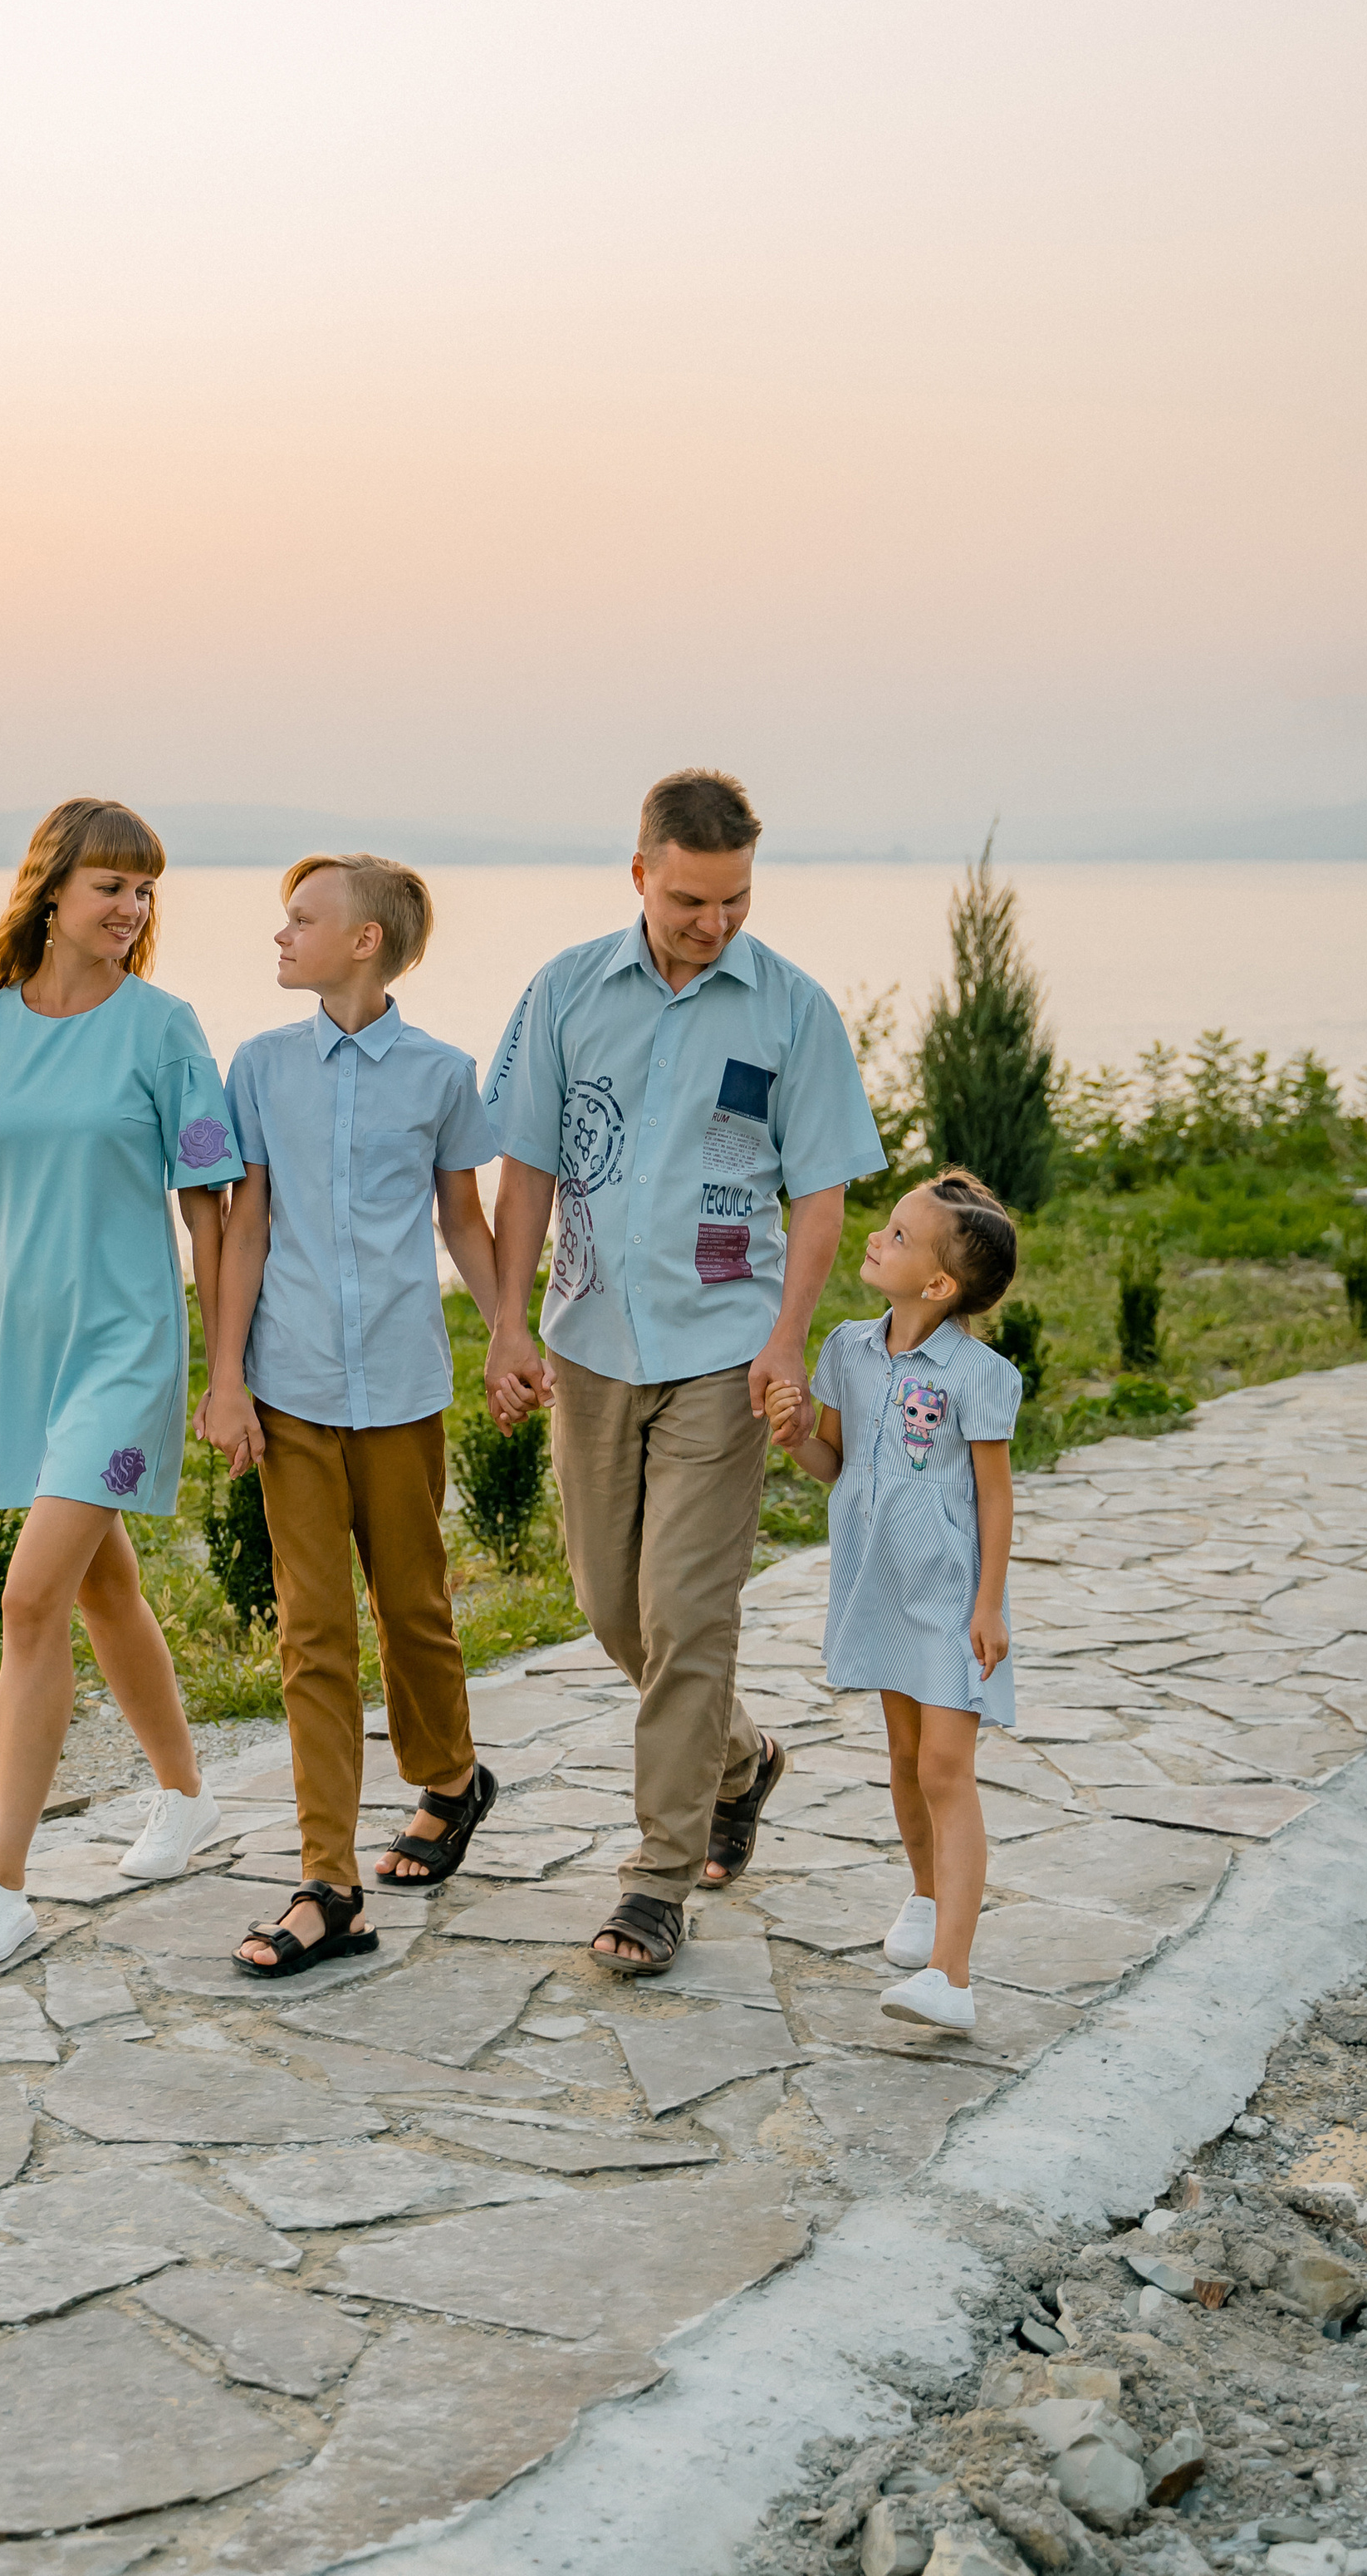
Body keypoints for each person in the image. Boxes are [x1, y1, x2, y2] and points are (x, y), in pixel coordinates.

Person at [483, 766, 884, 1975]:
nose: (714, 925)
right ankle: (742, 1760)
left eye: (736, 902)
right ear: (642, 874)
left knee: (686, 1619)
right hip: (591, 1338)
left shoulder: (793, 1011)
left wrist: (786, 1340)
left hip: (724, 1350)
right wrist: (506, 1322)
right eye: (692, 901)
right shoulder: (563, 991)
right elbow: (527, 1174)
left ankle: (657, 1882)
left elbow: (820, 1193)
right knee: (615, 1611)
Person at [0, 796, 246, 1972]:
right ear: (52, 890)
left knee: (28, 1600)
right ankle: (188, 1797)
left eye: (145, 890)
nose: (132, 908)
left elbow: (211, 1211)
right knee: (102, 1592)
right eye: (112, 886)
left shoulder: (163, 1029)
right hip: (26, 1363)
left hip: (124, 1348)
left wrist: (225, 1371)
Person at [199, 855, 504, 1977]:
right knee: (311, 1630)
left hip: (403, 1386)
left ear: (365, 941)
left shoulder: (440, 1074)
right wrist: (225, 1378)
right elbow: (246, 1227)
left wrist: (507, 1332)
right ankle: (327, 1881)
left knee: (413, 1607)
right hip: (291, 1391)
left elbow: (464, 1224)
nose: (281, 934)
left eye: (302, 920)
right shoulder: (261, 1066)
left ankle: (453, 1776)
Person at [766, 1172, 1022, 2033]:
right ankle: (923, 1897)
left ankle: (951, 1978)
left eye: (901, 1237)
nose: (878, 1239)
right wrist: (796, 1434)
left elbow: (994, 1496)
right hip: (876, 1584)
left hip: (948, 1595)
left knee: (947, 1773)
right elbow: (834, 1464)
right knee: (907, 1760)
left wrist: (989, 1606)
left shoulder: (976, 1376)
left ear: (940, 1286)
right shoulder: (846, 1348)